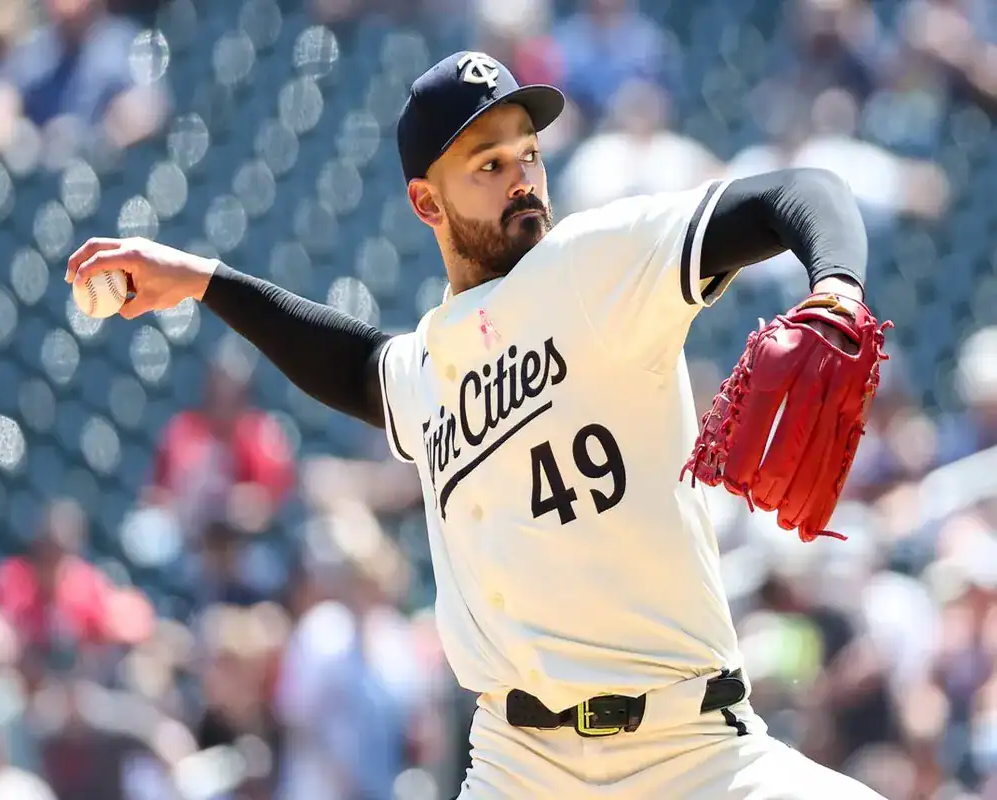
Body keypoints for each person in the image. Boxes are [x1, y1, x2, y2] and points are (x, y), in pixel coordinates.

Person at [67, 50, 883, 798]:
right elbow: (355, 367)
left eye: (528, 153)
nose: (522, 177)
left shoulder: (595, 266)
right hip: (519, 767)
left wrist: (837, 288)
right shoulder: (426, 367)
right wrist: (205, 280)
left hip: (694, 751)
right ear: (426, 201)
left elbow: (799, 194)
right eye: (488, 164)